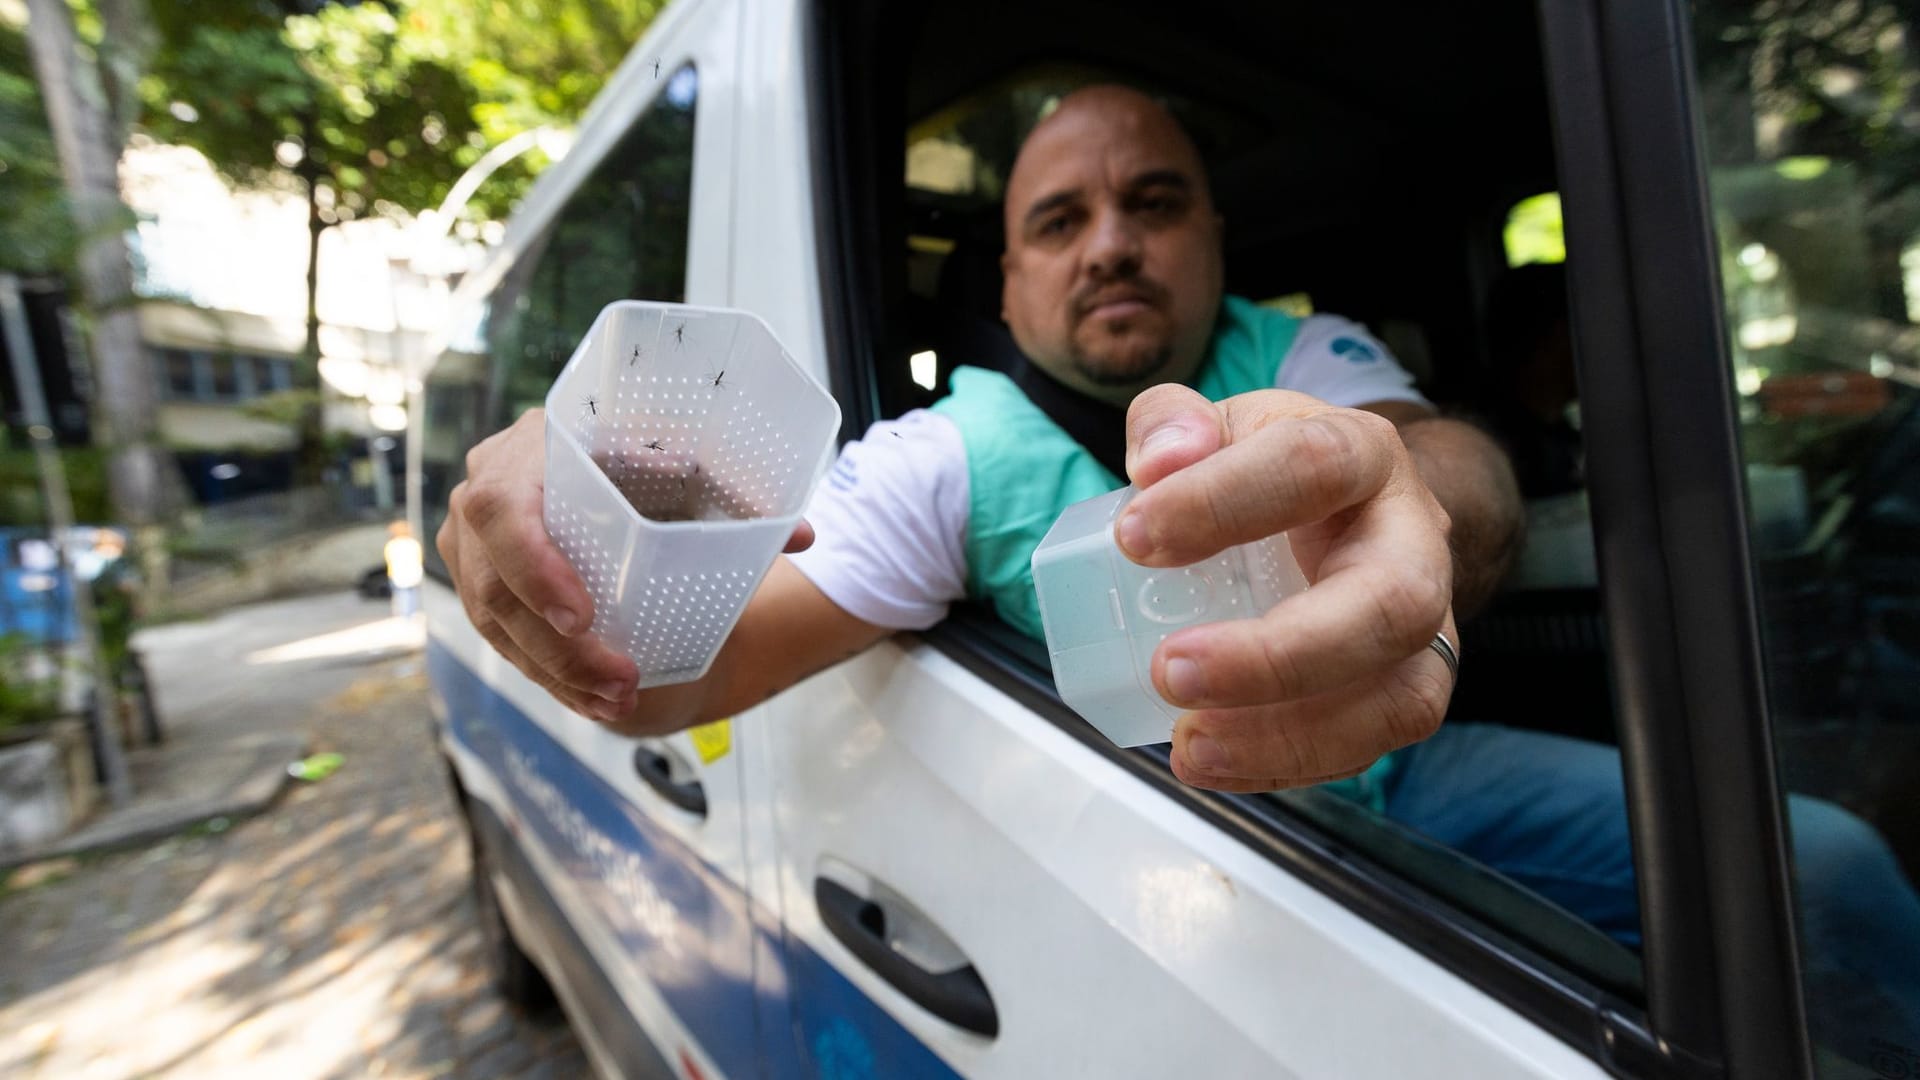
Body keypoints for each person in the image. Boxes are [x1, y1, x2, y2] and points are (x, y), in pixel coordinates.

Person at [437, 84, 1916, 1055]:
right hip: (1167, 877)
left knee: (1833, 871)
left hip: (1404, 792)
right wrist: (580, 516)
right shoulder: (946, 459)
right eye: (1058, 220)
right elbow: (661, 674)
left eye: (1154, 201)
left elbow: (1441, 457)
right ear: (1008, 282)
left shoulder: (1306, 354)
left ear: (1213, 236)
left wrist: (1414, 491)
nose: (1112, 243)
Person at [384, 521, 424, 619]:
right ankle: (412, 612)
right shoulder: (414, 543)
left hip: (398, 574)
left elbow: (388, 560)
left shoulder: (391, 545)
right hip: (413, 573)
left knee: (401, 594)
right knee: (412, 594)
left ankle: (405, 615)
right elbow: (420, 559)